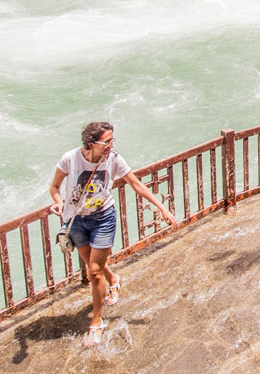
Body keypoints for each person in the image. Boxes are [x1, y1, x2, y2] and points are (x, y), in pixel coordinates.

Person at [50, 122, 177, 348]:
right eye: (107, 141)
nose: (111, 145)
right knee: (92, 264)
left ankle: (96, 324)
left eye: (112, 140)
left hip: (103, 218)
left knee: (94, 270)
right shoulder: (70, 158)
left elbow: (136, 184)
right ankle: (114, 280)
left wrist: (162, 208)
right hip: (76, 220)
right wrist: (59, 204)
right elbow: (55, 187)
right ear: (92, 143)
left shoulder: (114, 158)